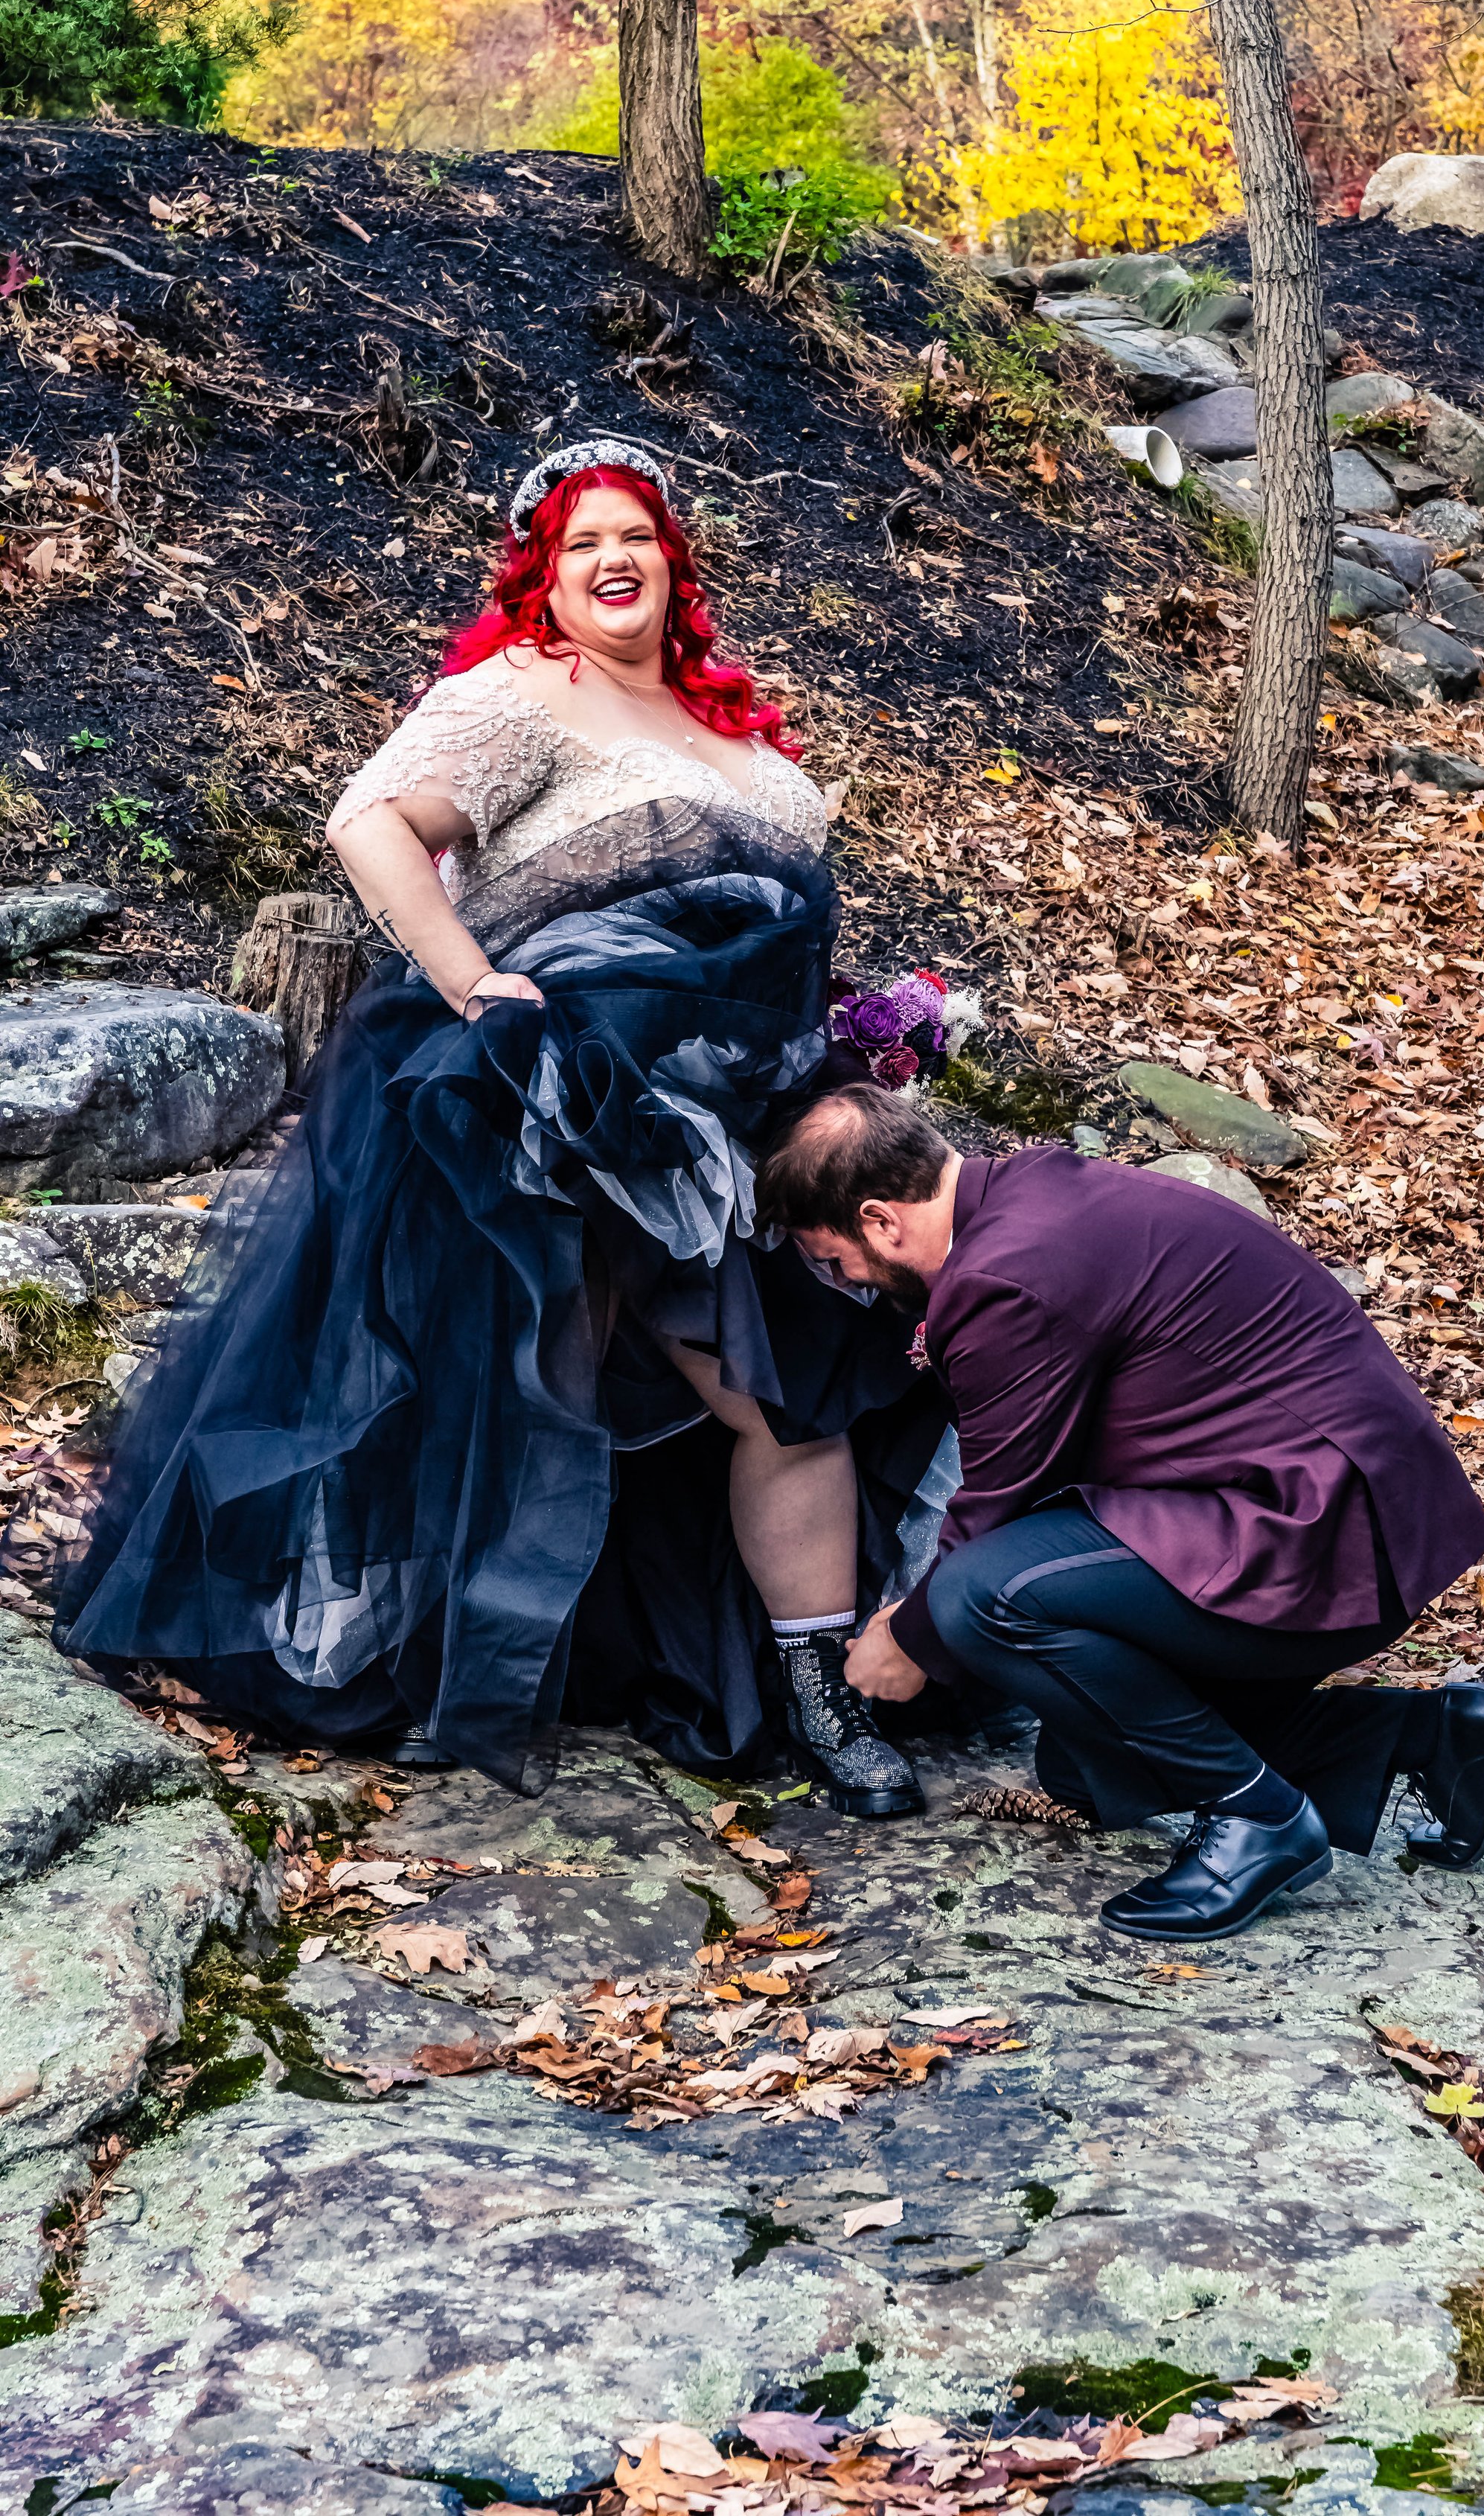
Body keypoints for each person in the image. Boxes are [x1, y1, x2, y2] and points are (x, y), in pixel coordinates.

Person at [55, 442, 944, 1813]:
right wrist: (477, 986)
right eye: (580, 542)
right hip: (552, 1107)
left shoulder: (740, 733)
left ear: (673, 560)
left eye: (634, 535)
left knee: (790, 1390)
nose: (612, 559)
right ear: (543, 574)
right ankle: (447, 1671)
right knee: (509, 1384)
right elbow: (370, 824)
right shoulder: (528, 690)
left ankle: (823, 1697)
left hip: (741, 1124)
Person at [755, 1087, 1484, 1940]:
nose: (847, 1282)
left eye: (835, 1260)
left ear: (880, 1220)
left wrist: (907, 1637)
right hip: (1351, 1510)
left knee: (977, 1598)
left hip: (1315, 1531)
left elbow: (998, 1502)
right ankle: (1427, 1738)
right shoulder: (1033, 1196)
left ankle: (1256, 1817)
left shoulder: (1003, 1276)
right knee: (1082, 1761)